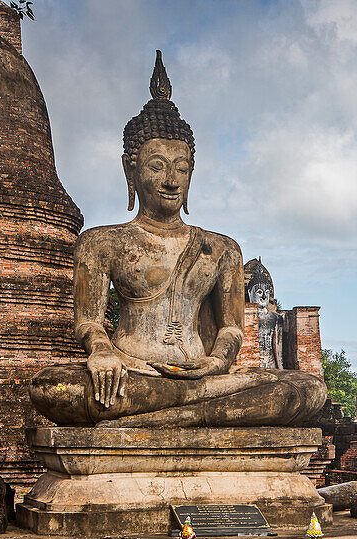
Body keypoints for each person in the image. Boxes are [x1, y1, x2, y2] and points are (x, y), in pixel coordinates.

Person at [29, 51, 325, 428]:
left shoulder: (222, 249)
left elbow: (232, 328)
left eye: (181, 168)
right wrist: (102, 351)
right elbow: (88, 322)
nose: (171, 179)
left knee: (306, 389)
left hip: (206, 378)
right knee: (55, 388)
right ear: (130, 169)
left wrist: (216, 362)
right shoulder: (102, 243)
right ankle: (192, 415)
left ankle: (170, 416)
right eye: (157, 166)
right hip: (134, 375)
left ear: (192, 172)